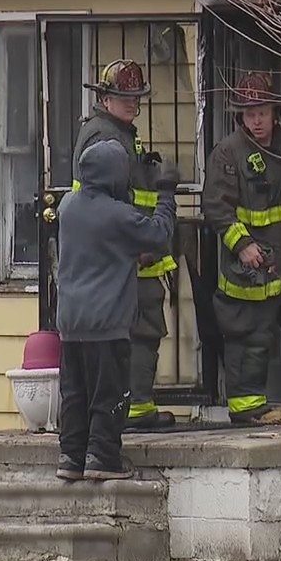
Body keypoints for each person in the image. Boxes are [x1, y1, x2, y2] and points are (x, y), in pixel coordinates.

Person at [201, 72, 281, 425]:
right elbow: (216, 207)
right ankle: (247, 408)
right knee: (250, 334)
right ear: (239, 116)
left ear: (275, 111)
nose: (256, 120)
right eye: (249, 114)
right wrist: (242, 245)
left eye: (261, 111)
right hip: (254, 265)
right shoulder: (228, 153)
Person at [55, 139, 180, 481]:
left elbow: (103, 248)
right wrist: (166, 192)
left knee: (76, 393)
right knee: (107, 392)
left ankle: (71, 457)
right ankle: (102, 457)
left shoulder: (68, 207)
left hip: (70, 322)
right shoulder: (117, 214)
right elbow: (158, 233)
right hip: (106, 321)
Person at [70, 59, 178, 431]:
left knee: (143, 330)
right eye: (124, 97)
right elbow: (109, 205)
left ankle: (137, 407)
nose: (133, 104)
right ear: (104, 97)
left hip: (134, 250)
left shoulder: (119, 132)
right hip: (131, 254)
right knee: (141, 331)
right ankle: (135, 410)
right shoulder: (106, 138)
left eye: (137, 97)